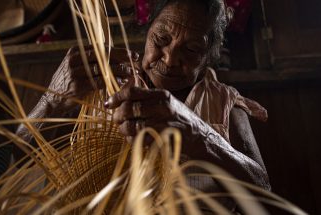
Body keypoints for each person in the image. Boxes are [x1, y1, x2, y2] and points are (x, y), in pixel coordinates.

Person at [16, 0, 271, 211]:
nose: (170, 59)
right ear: (147, 32)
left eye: (192, 49)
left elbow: (263, 194)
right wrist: (49, 101)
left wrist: (199, 133)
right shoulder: (102, 85)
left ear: (207, 60)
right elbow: (19, 158)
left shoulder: (223, 101)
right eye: (161, 39)